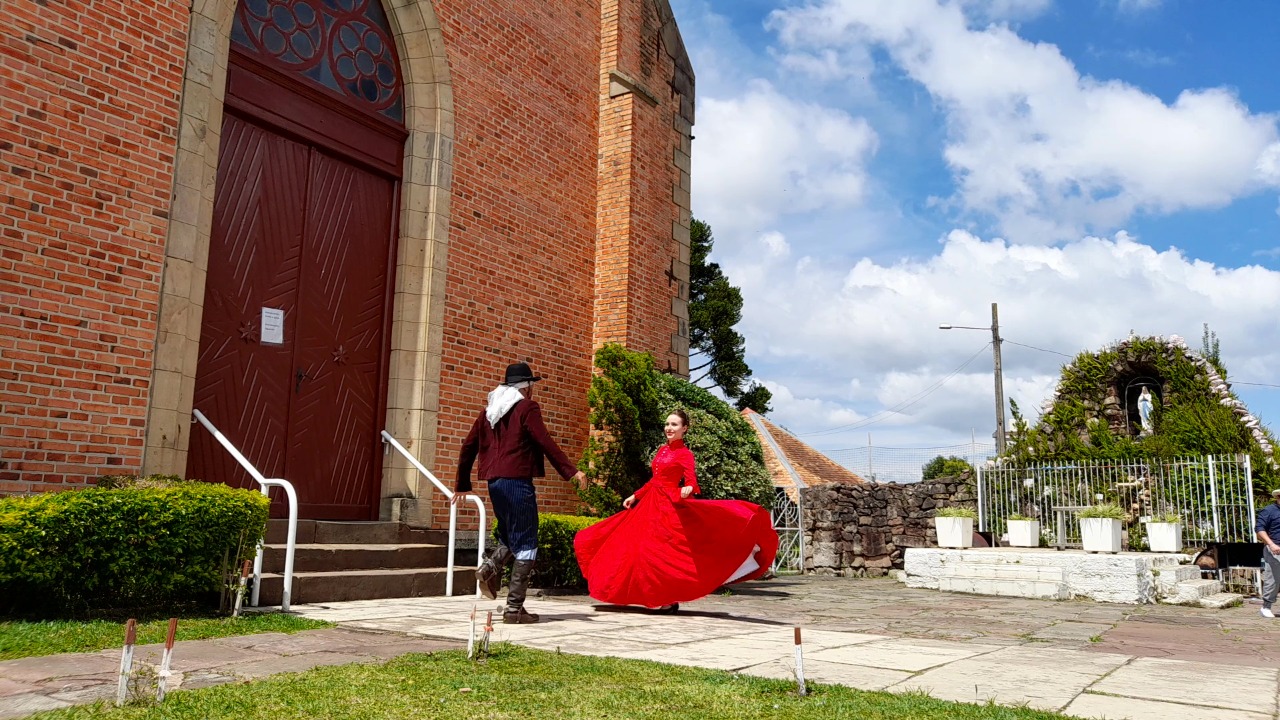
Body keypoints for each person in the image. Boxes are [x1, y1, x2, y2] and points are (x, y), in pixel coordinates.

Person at [574, 409, 779, 612]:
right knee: (631, 547)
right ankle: (650, 596)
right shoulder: (663, 450)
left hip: (667, 507)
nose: (669, 428)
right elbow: (655, 480)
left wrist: (686, 489)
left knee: (661, 554)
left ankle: (665, 598)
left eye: (674, 425)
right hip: (650, 504)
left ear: (684, 429)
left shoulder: (685, 454)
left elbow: (691, 482)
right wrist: (635, 495)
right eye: (667, 424)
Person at [454, 361, 586, 624]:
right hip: (517, 481)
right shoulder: (527, 407)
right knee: (527, 542)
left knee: (509, 535)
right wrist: (571, 471)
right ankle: (514, 609)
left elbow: (468, 446)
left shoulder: (489, 412)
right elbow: (544, 440)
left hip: (495, 482)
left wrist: (462, 484)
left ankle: (491, 567)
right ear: (528, 388)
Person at [1255, 488, 1280, 618]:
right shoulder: (1269, 511)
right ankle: (1266, 606)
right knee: (1274, 579)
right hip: (1275, 549)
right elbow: (1259, 529)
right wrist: (1270, 544)